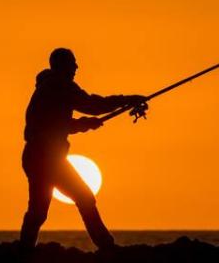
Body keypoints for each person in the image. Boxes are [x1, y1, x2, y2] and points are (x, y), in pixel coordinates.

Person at [19, 48, 146, 250]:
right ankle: (107, 247)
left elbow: (61, 122)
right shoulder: (59, 87)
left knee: (40, 210)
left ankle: (24, 249)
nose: (76, 67)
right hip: (44, 158)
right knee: (82, 198)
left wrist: (84, 123)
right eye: (73, 63)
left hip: (40, 157)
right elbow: (91, 105)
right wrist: (126, 100)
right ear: (62, 66)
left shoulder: (48, 88)